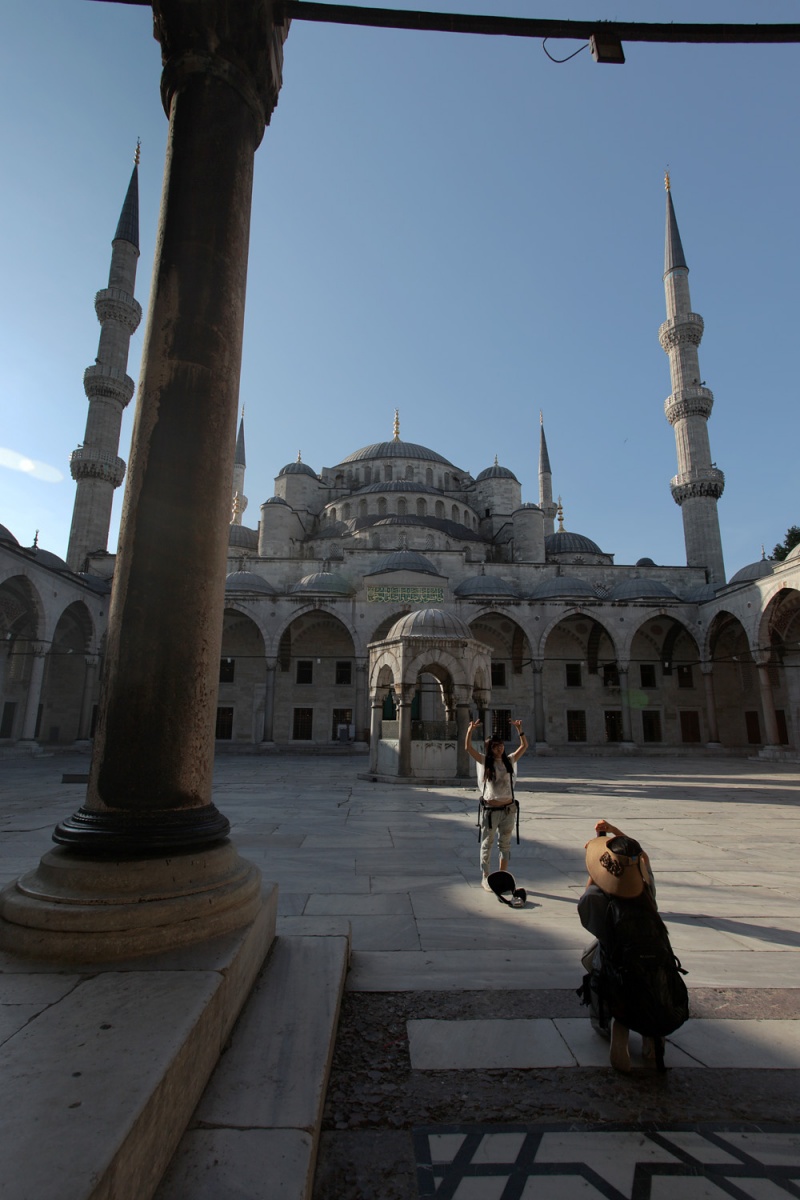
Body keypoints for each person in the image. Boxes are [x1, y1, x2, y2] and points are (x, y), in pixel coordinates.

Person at [578, 819, 659, 1072]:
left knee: (591, 957)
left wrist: (595, 869)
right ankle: (651, 1035)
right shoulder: (647, 889)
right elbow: (641, 855)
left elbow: (585, 907)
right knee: (645, 981)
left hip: (616, 964)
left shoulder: (601, 898)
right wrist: (614, 831)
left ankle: (618, 1025)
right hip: (654, 960)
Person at [465, 719, 528, 890]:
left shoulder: (509, 760)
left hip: (508, 809)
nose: (499, 748)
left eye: (500, 745)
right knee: (487, 843)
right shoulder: (486, 762)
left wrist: (519, 730)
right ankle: (485, 876)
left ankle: (502, 874)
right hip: (491, 811)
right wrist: (470, 730)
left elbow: (524, 747)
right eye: (495, 746)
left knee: (505, 843)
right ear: (490, 748)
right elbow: (468, 749)